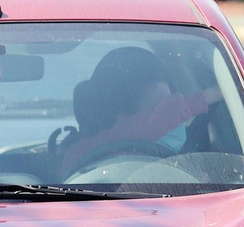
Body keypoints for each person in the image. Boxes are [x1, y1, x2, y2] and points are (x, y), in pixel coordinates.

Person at [60, 47, 221, 172]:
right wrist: (213, 94)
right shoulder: (79, 154)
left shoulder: (188, 167)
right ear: (122, 120)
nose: (176, 120)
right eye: (161, 110)